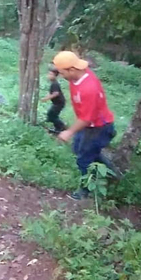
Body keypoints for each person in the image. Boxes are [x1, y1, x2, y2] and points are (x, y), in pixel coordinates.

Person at [53, 51, 115, 199]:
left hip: (98, 127)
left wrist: (68, 132)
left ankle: (85, 190)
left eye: (62, 73)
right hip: (88, 125)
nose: (61, 76)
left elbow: (87, 119)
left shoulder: (89, 88)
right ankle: (109, 170)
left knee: (83, 159)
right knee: (78, 148)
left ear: (72, 70)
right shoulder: (77, 76)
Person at [40, 66, 66, 134]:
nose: (49, 76)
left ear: (55, 76)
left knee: (52, 115)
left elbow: (56, 93)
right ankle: (57, 128)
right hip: (57, 103)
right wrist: (46, 97)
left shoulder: (55, 84)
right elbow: (51, 93)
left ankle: (61, 127)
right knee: (52, 115)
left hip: (59, 103)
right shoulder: (53, 83)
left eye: (51, 74)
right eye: (49, 74)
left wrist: (46, 98)